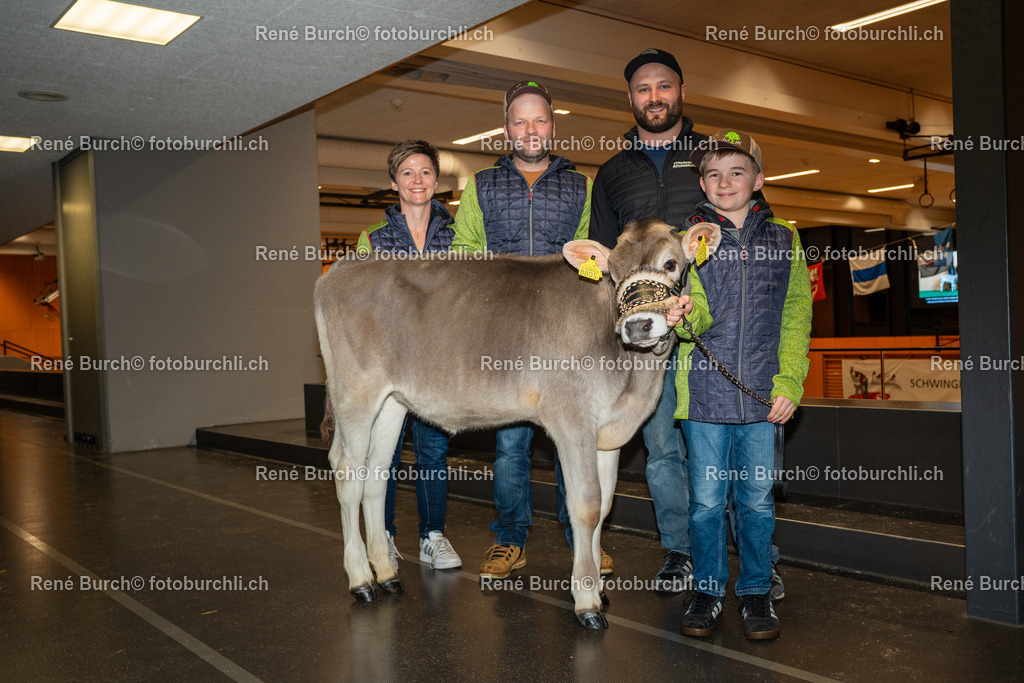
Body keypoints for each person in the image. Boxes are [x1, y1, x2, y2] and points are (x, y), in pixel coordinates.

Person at [450, 79, 597, 580]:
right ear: (506, 127)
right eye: (520, 120)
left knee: (569, 436)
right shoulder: (481, 185)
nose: (530, 129)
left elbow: (595, 255)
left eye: (539, 120)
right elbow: (464, 249)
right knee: (511, 444)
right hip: (506, 332)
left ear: (552, 125)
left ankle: (580, 538)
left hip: (564, 332)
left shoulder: (582, 186)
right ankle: (510, 539)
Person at [674, 129, 812, 640]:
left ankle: (755, 591)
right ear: (703, 184)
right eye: (712, 174)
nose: (724, 182)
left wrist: (790, 382)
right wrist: (683, 313)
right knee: (707, 502)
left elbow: (796, 315)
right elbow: (697, 317)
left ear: (758, 178)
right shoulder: (688, 239)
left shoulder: (786, 238)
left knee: (755, 501)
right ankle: (707, 593)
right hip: (705, 397)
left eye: (736, 171)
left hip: (762, 396)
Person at [588, 48, 707, 594]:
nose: (654, 97)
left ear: (681, 90)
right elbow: (607, 266)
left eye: (663, 86)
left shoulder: (712, 155)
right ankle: (680, 552)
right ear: (631, 98)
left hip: (710, 329)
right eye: (643, 89)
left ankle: (751, 555)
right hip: (644, 335)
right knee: (662, 451)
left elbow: (746, 227)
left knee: (715, 444)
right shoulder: (612, 172)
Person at [355, 139, 462, 570]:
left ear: (437, 180)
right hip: (389, 363)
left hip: (439, 362)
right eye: (407, 173)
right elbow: (360, 305)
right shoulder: (374, 239)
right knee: (387, 450)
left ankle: (432, 535)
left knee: (434, 451)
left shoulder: (457, 237)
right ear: (393, 182)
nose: (417, 180)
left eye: (425, 172)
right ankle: (382, 537)